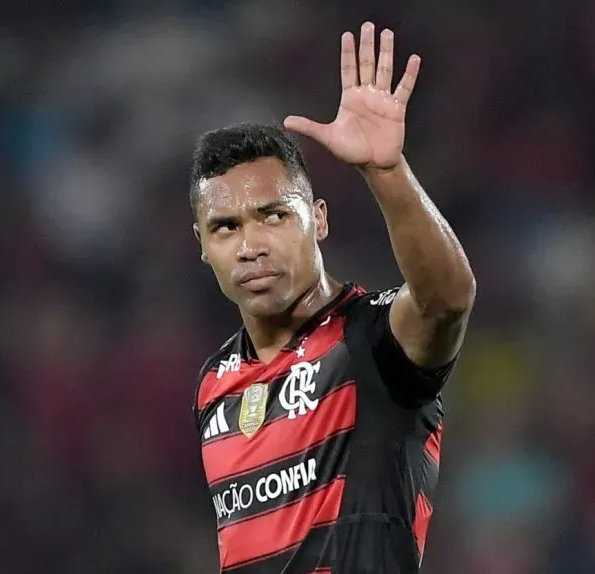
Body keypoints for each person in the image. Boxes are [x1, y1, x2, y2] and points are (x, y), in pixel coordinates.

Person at [190, 22, 476, 573]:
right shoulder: (213, 385)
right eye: (226, 227)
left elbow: (447, 300)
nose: (250, 246)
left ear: (318, 220)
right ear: (202, 245)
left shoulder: (370, 341)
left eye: (274, 216)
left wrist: (386, 172)